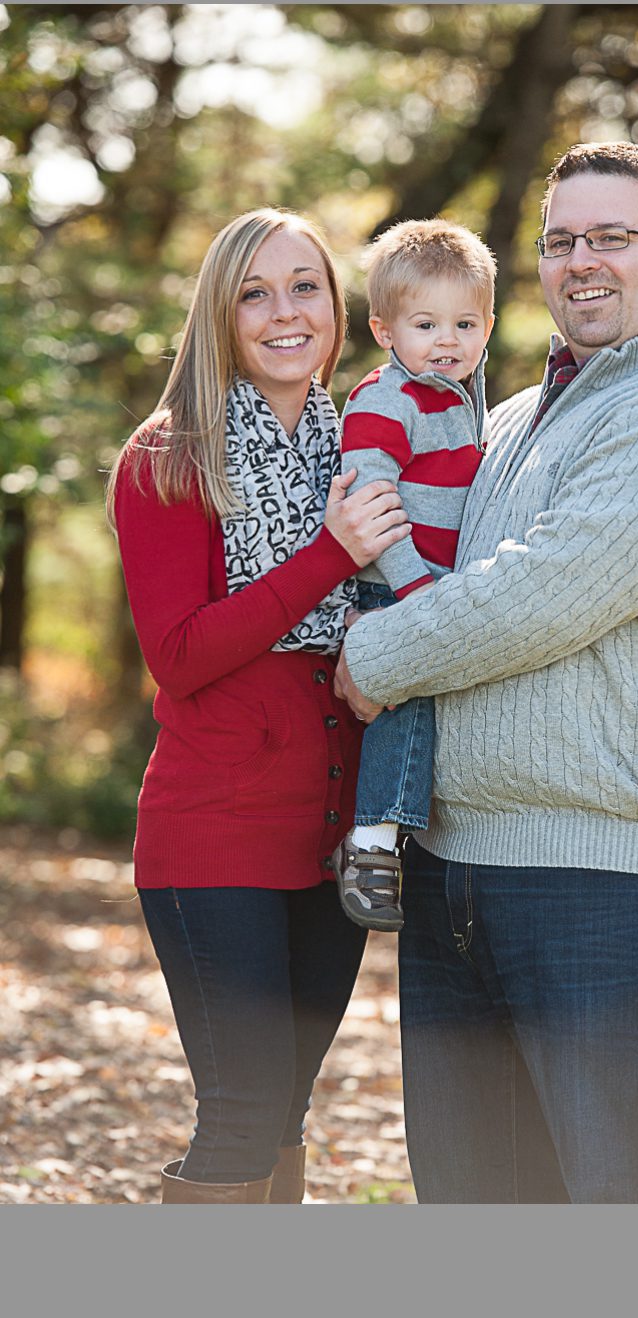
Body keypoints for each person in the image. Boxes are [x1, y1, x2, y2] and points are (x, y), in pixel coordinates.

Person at [335, 142, 638, 1203]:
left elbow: (543, 594)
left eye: (612, 237)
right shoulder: (506, 422)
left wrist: (373, 655)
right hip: (457, 877)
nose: (582, 260)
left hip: (611, 887)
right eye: (561, 240)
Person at [112, 206, 413, 1202]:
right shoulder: (169, 457)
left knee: (285, 1111)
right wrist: (332, 553)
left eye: (305, 287)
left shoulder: (365, 449)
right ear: (221, 315)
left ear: (337, 308)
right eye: (255, 294)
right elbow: (179, 655)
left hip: (331, 831)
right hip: (216, 830)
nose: (285, 313)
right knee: (241, 1110)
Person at [329, 219, 497, 932]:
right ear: (384, 330)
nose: (446, 340)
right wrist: (416, 593)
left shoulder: (461, 398)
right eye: (425, 325)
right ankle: (371, 840)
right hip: (397, 583)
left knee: (424, 705)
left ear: (488, 327)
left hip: (432, 585)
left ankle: (396, 833)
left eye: (465, 324)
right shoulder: (386, 398)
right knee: (405, 703)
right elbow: (372, 501)